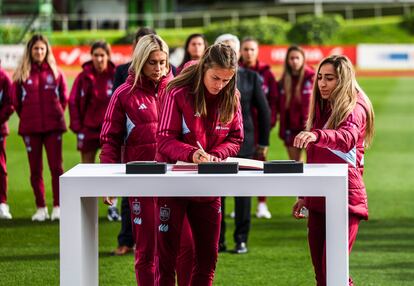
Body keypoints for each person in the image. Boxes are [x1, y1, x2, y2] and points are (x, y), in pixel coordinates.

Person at [156, 43, 244, 285]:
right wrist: (192, 154)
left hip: (208, 184)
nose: (220, 85)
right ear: (204, 67)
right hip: (172, 184)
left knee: (207, 259)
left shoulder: (232, 96)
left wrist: (217, 154)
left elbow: (236, 138)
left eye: (226, 80)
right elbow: (163, 139)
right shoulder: (178, 92)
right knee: (166, 260)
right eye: (215, 78)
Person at [292, 55, 375, 286]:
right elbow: (316, 157)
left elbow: (347, 138)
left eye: (330, 78)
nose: (322, 84)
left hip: (345, 196)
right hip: (319, 196)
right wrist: (304, 195)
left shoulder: (355, 106)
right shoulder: (321, 105)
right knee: (322, 275)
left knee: (334, 274)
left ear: (344, 79)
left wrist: (317, 134)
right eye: (320, 77)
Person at [100, 34, 173, 285]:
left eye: (163, 62)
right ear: (141, 60)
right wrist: (108, 181)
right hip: (141, 183)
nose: (159, 68)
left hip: (177, 182)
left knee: (176, 251)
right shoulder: (123, 94)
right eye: (153, 62)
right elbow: (109, 140)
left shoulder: (178, 91)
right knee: (146, 252)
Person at [215, 34, 270, 254]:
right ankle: (217, 240)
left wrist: (263, 142)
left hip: (244, 143)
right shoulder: (209, 77)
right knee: (216, 195)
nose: (228, 52)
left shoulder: (251, 77)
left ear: (238, 53)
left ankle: (241, 239)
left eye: (232, 48)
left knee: (242, 194)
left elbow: (264, 111)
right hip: (215, 145)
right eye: (224, 47)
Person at [111, 26, 156, 256]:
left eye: (161, 62)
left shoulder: (172, 79)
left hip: (165, 162)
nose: (158, 67)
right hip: (134, 151)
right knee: (131, 201)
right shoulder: (123, 80)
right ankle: (126, 239)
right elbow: (113, 129)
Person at [11, 34, 67, 221]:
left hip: (53, 127)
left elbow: (63, 99)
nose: (39, 52)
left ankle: (58, 206)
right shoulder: (21, 75)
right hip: (31, 128)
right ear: (30, 51)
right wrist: (28, 118)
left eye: (42, 48)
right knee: (35, 170)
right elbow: (16, 102)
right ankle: (41, 208)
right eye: (36, 48)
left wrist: (55, 116)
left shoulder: (56, 73)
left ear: (47, 50)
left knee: (56, 168)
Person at [68, 41, 119, 221]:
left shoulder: (115, 75)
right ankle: (88, 209)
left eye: (102, 55)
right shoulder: (83, 76)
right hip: (89, 129)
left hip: (111, 130)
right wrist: (77, 127)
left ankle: (113, 208)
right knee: (87, 169)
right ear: (92, 56)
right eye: (96, 55)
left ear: (108, 56)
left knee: (111, 170)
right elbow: (73, 101)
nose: (99, 59)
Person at [239, 36, 279, 219]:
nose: (249, 53)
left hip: (258, 128)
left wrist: (268, 125)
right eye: (245, 49)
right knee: (239, 167)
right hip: (242, 129)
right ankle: (242, 204)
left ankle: (262, 203)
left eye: (252, 49)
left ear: (257, 51)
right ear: (240, 51)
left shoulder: (266, 73)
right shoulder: (231, 71)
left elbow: (272, 101)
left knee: (260, 165)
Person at [278, 45, 315, 162]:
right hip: (291, 130)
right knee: (296, 166)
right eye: (291, 58)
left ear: (303, 59)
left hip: (310, 130)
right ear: (287, 61)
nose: (294, 61)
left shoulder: (313, 78)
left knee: (312, 167)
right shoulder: (283, 81)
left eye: (297, 58)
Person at [0, 64, 14, 219]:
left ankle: (2, 204)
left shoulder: (4, 78)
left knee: (0, 167)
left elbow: (10, 104)